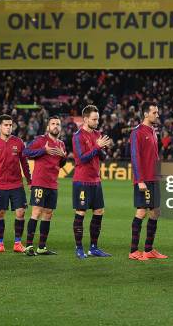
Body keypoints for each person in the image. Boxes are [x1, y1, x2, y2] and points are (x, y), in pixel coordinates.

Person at [0, 114, 31, 253]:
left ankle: (17, 243)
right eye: (6, 125)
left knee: (21, 213)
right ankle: (0, 244)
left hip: (17, 185)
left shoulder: (18, 142)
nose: (9, 127)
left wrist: (29, 181)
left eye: (10, 125)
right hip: (0, 185)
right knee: (0, 213)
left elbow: (25, 163)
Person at [71, 105, 113, 259]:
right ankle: (79, 248)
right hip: (82, 180)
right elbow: (81, 158)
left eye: (98, 119)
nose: (97, 121)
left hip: (96, 180)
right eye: (94, 119)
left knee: (99, 211)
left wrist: (103, 149)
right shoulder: (78, 136)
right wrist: (97, 146)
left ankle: (94, 247)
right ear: (86, 119)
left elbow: (101, 156)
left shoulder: (97, 134)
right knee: (81, 212)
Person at [22, 116, 67, 256]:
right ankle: (29, 246)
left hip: (53, 183)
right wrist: (43, 150)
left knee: (48, 214)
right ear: (48, 127)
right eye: (53, 124)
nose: (55, 126)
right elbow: (26, 152)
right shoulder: (41, 140)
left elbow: (60, 164)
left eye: (58, 124)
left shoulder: (61, 144)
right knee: (36, 212)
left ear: (60, 127)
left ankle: (42, 247)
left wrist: (64, 157)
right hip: (40, 182)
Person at [129, 102, 167, 261]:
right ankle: (133, 251)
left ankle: (149, 249)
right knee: (141, 211)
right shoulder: (137, 132)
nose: (157, 115)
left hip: (153, 177)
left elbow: (154, 156)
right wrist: (139, 180)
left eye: (157, 112)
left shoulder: (153, 131)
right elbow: (135, 157)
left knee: (155, 212)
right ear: (146, 114)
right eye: (154, 112)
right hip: (143, 179)